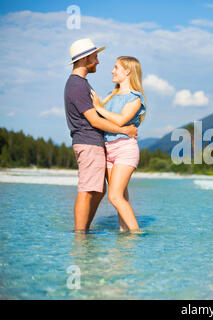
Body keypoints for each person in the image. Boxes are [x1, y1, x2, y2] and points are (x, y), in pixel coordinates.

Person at [64, 38, 138, 233]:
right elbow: (95, 121)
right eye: (95, 57)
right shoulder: (78, 85)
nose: (98, 61)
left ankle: (84, 232)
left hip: (94, 143)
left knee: (98, 190)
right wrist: (125, 130)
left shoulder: (81, 84)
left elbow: (99, 115)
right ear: (85, 58)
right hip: (88, 143)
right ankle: (80, 235)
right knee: (88, 191)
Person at [90, 56, 147, 233]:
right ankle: (124, 232)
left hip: (125, 149)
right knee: (121, 195)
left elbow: (122, 120)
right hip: (108, 150)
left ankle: (137, 234)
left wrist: (98, 108)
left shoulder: (135, 98)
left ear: (127, 71)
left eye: (116, 68)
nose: (112, 71)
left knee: (114, 196)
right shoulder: (110, 96)